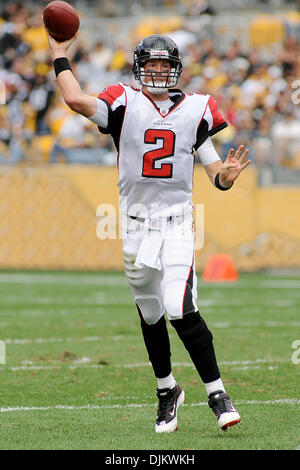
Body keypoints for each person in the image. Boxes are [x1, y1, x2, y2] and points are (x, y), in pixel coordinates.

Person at [46, 31, 251, 434]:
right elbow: (74, 99)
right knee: (151, 312)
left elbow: (215, 175)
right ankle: (167, 390)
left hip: (176, 225)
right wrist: (58, 53)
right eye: (151, 65)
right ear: (140, 67)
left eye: (164, 65)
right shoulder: (124, 101)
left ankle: (217, 394)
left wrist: (225, 177)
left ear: (175, 69)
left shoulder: (197, 108)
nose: (157, 72)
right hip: (135, 226)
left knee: (178, 306)